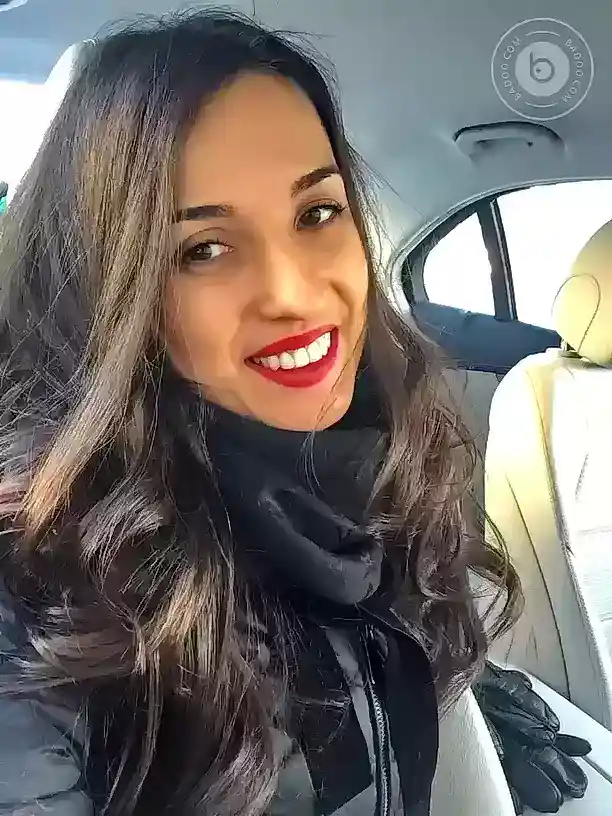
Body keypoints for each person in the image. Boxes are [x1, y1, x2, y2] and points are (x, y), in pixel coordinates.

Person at [0, 10, 520, 815]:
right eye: (204, 249)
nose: (291, 292)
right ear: (111, 293)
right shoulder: (40, 599)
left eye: (317, 214)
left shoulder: (386, 470)